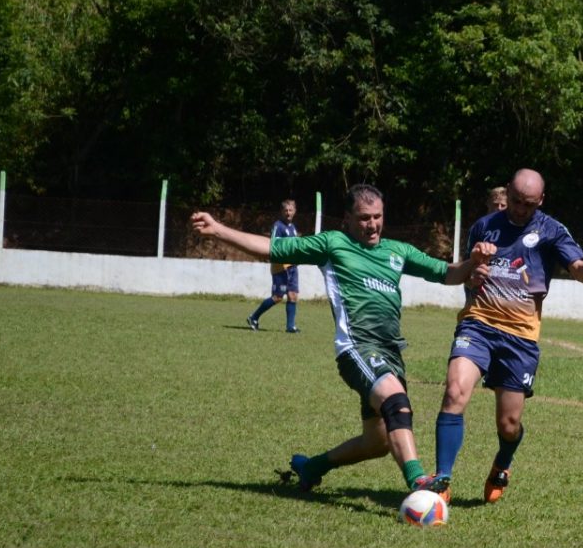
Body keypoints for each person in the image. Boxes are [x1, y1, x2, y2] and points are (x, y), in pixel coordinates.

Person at [191, 184, 495, 498]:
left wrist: (472, 261)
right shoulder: (332, 244)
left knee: (376, 442)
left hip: (390, 352)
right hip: (356, 349)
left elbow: (447, 273)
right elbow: (273, 249)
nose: (373, 224)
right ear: (347, 219)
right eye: (364, 218)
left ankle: (313, 467)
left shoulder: (397, 251)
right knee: (397, 404)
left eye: (377, 216)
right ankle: (418, 482)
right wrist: (218, 231)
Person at [433, 168, 583, 503]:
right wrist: (474, 272)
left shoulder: (551, 230)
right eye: (517, 201)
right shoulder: (484, 225)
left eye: (529, 204)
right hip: (478, 324)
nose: (521, 209)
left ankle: (502, 464)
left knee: (509, 424)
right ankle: (442, 479)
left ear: (541, 201)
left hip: (520, 337)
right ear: (508, 193)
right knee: (454, 393)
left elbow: (580, 273)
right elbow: (468, 274)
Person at [246, 199, 301, 333]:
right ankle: (254, 317)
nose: (288, 213)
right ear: (282, 212)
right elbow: (274, 244)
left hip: (292, 267)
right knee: (277, 297)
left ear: (295, 211)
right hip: (280, 267)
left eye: (290, 210)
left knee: (293, 295)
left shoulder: (293, 227)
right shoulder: (278, 226)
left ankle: (290, 327)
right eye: (286, 210)